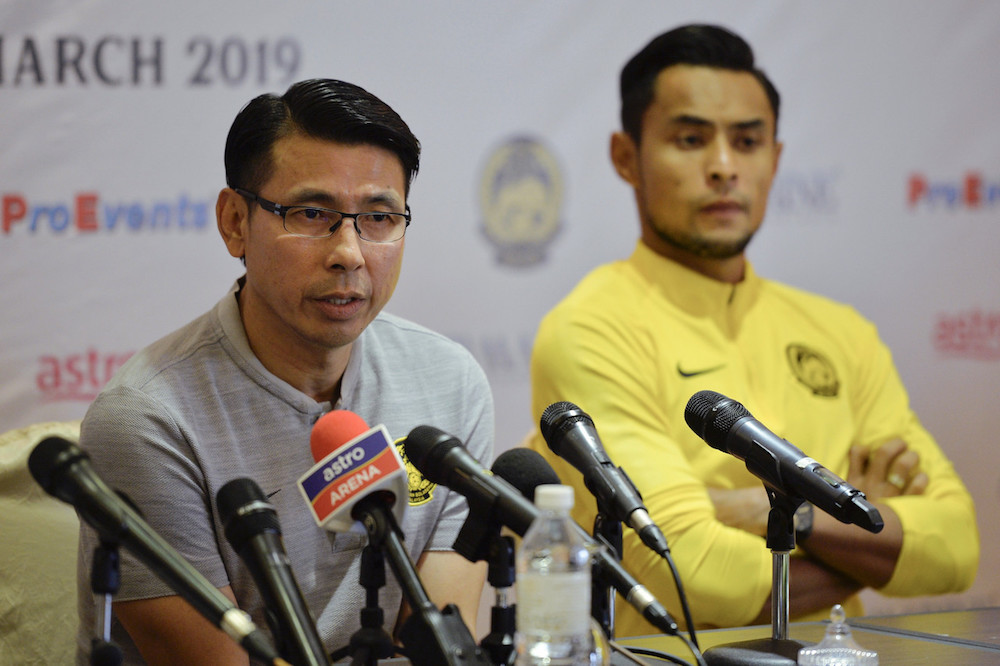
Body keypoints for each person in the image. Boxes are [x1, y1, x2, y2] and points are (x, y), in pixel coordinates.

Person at [527, 24, 978, 635]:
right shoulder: (592, 328)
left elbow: (956, 547)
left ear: (776, 157)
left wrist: (778, 514)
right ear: (626, 157)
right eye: (690, 139)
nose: (722, 167)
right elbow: (689, 572)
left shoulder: (841, 331)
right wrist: (868, 543)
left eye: (747, 141)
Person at [76, 78, 493, 664]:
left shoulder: (449, 383)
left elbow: (443, 644)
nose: (348, 251)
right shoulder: (147, 420)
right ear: (235, 222)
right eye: (312, 212)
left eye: (378, 216)